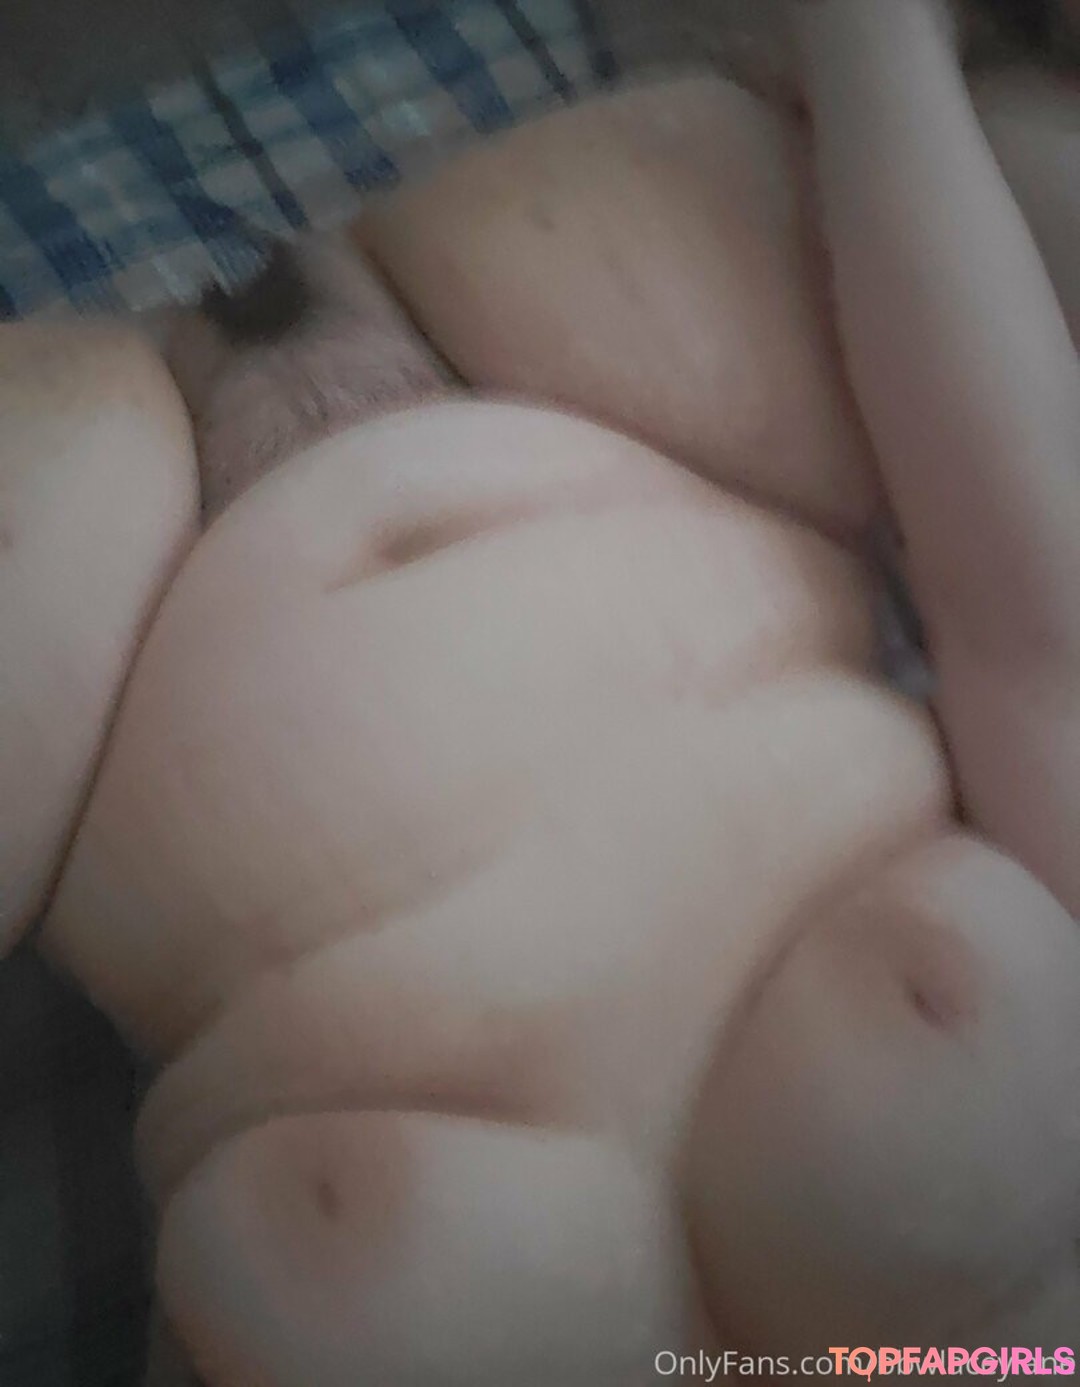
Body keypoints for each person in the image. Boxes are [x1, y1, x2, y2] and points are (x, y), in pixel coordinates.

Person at [2, 1, 1077, 1379]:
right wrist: (877, 48)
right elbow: (1026, 616)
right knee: (1033, 170)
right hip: (631, 384)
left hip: (111, 594)